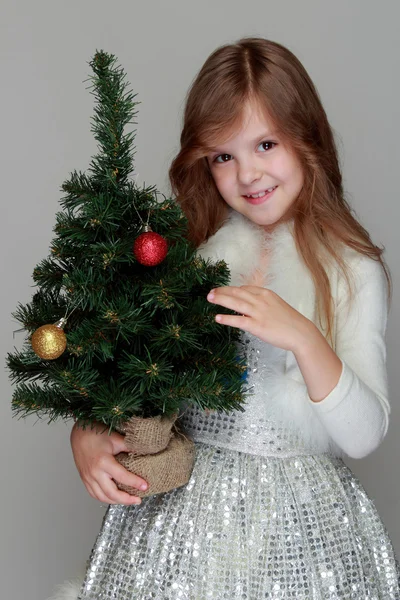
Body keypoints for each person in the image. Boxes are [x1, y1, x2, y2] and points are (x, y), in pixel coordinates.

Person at [50, 38, 400, 599]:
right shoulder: (191, 256)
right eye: (223, 156)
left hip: (297, 527)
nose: (247, 174)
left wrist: (305, 338)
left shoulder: (349, 271)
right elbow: (130, 383)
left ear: (307, 139)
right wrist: (88, 435)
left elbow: (365, 434)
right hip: (179, 519)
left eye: (266, 144)